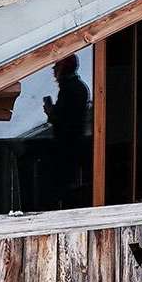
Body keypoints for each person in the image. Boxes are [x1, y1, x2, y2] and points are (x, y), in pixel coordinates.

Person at [42, 54, 90, 208]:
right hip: (72, 143)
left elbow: (65, 120)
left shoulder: (71, 89)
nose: (53, 70)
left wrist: (51, 112)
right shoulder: (76, 87)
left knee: (64, 185)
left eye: (57, 66)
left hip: (68, 145)